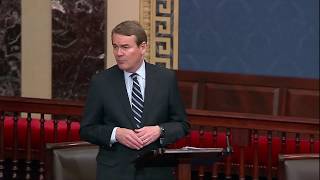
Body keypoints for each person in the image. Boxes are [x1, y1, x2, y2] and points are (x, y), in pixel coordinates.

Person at [80, 20, 189, 180]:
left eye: (125, 47)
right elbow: (87, 129)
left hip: (155, 172)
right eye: (115, 46)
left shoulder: (165, 79)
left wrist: (160, 130)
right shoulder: (101, 82)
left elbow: (182, 125)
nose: (118, 53)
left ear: (142, 47)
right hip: (115, 172)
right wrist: (116, 133)